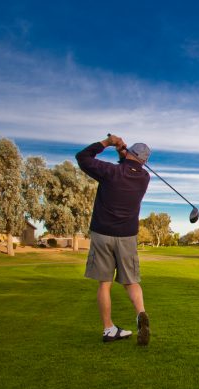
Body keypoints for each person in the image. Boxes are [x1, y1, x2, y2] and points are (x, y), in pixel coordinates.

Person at [76, 134, 151, 345]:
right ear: (144, 160)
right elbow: (130, 167)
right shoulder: (144, 178)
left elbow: (82, 157)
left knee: (105, 283)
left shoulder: (111, 172)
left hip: (102, 233)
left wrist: (107, 143)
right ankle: (141, 313)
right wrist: (122, 152)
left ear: (129, 154)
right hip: (127, 236)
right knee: (131, 281)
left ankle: (109, 329)